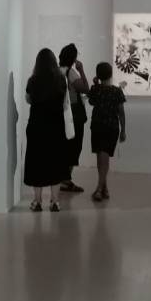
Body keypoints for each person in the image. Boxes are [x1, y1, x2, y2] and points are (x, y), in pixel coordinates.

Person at [24, 48, 69, 212]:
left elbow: (28, 99)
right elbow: (65, 103)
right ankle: (55, 201)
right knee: (55, 162)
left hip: (37, 127)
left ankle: (37, 201)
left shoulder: (32, 80)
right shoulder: (61, 80)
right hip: (56, 127)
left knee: (37, 162)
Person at [88, 62, 126, 202]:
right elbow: (121, 113)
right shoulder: (117, 91)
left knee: (101, 157)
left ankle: (99, 189)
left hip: (97, 126)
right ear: (111, 74)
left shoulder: (95, 89)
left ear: (98, 75)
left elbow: (91, 102)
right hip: (111, 127)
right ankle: (104, 188)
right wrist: (123, 130)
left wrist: (95, 84)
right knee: (103, 158)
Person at [58, 43, 89, 193]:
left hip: (62, 112)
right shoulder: (71, 73)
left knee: (65, 146)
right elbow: (86, 89)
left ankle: (63, 178)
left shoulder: (57, 70)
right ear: (73, 58)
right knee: (74, 147)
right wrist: (81, 70)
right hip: (74, 113)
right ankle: (65, 180)